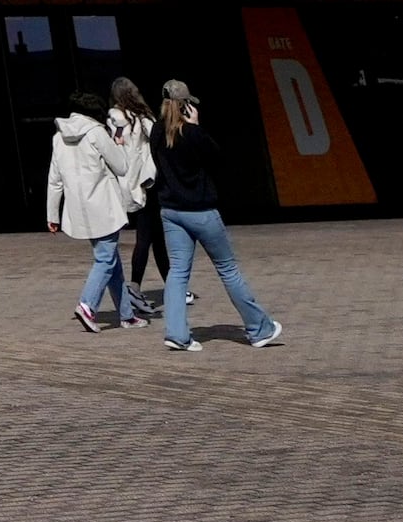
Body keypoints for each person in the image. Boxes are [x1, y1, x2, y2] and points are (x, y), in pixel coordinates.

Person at [144, 76, 285, 352]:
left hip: (171, 212)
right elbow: (216, 156)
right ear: (185, 105)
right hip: (201, 211)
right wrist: (195, 126)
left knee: (177, 272)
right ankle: (259, 328)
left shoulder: (157, 133)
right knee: (228, 269)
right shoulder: (193, 134)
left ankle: (176, 333)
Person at [45, 78, 151, 330]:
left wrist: (53, 215)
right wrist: (118, 145)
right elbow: (122, 166)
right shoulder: (96, 133)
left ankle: (126, 314)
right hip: (103, 207)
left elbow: (54, 180)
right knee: (105, 259)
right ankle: (87, 305)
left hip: (77, 210)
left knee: (110, 258)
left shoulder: (58, 138)